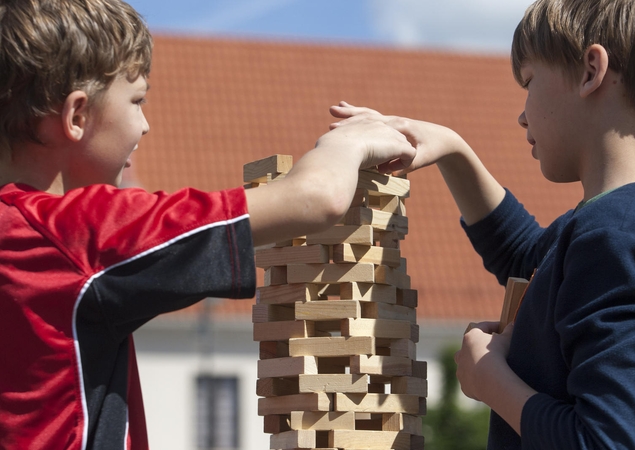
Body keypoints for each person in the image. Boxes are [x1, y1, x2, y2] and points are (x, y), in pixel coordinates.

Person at [0, 1, 416, 449]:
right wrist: (351, 141)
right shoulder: (76, 234)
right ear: (77, 116)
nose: (145, 125)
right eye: (137, 101)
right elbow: (316, 198)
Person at [330, 0, 635, 448]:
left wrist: (491, 383)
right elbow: (530, 262)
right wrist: (452, 150)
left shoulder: (614, 236)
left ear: (591, 71)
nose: (522, 114)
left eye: (529, 82)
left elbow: (613, 441)